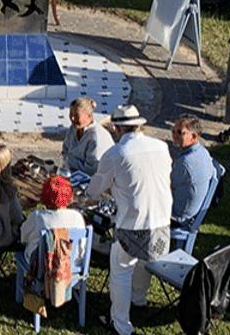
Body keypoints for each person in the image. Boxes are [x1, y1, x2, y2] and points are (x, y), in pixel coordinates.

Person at [88, 105, 173, 335]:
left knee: (121, 271)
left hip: (132, 225)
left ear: (117, 129)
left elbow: (94, 190)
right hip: (163, 221)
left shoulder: (115, 154)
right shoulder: (162, 147)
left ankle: (121, 324)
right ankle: (139, 298)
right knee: (144, 261)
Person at [170, 116, 221, 239]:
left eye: (180, 132)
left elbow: (167, 186)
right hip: (192, 212)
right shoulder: (202, 152)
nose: (174, 135)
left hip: (179, 218)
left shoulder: (185, 163)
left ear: (194, 137)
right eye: (173, 130)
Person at [20, 175, 87, 259]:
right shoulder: (78, 217)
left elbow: (23, 237)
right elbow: (82, 245)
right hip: (72, 267)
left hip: (41, 268)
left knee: (22, 253)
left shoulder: (37, 217)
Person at [59, 97, 114, 177]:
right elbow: (65, 151)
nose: (72, 118)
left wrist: (69, 161)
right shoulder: (73, 129)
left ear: (89, 116)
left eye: (77, 116)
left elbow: (91, 169)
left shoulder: (97, 137)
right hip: (74, 174)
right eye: (71, 114)